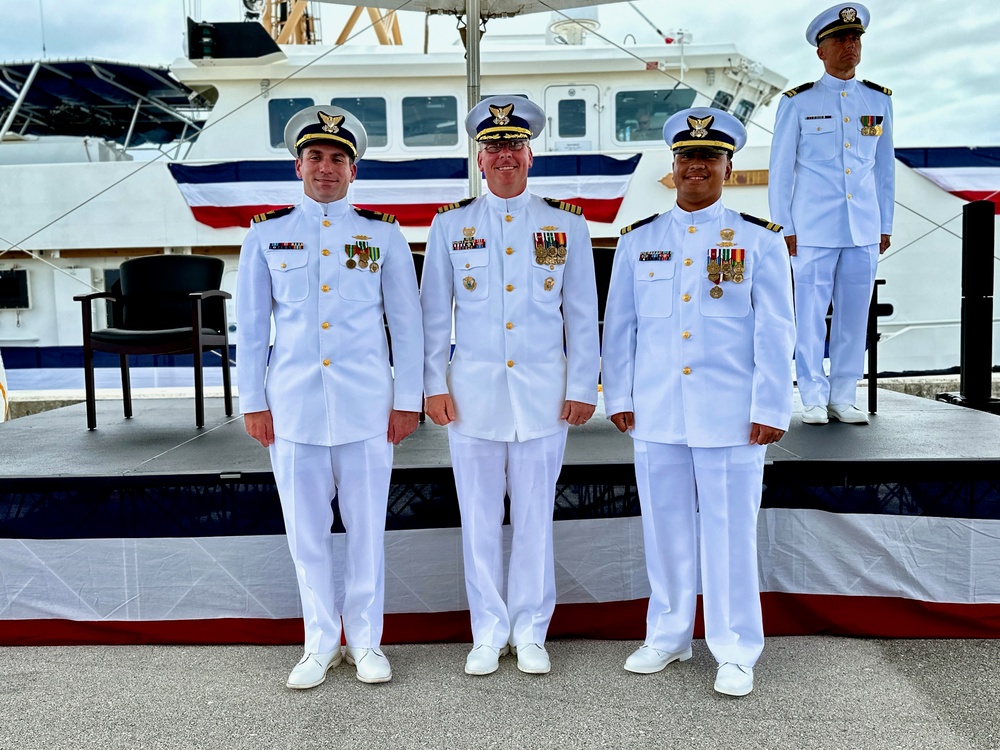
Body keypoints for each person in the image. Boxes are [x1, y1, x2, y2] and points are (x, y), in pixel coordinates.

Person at [602, 107, 795, 697]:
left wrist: (771, 405)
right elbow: (621, 327)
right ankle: (668, 635)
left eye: (708, 158)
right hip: (658, 410)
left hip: (732, 414)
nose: (696, 167)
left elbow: (775, 330)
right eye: (688, 157)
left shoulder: (758, 241)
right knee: (664, 530)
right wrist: (622, 395)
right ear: (674, 165)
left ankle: (736, 647)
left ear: (727, 167)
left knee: (732, 533)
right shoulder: (641, 240)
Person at [236, 105, 423, 688]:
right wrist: (253, 402)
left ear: (353, 170)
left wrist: (407, 399)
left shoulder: (382, 234)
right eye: (315, 156)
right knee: (306, 535)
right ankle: (319, 642)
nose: (326, 167)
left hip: (367, 408)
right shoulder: (267, 235)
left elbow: (407, 324)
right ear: (298, 166)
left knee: (368, 531)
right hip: (292, 409)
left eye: (337, 158)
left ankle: (366, 642)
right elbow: (251, 324)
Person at [420, 96, 600, 676]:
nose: (505, 156)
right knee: (477, 521)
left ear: (530, 154)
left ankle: (529, 631)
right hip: (471, 397)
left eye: (514, 146)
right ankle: (486, 631)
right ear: (479, 157)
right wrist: (432, 385)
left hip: (544, 397)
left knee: (533, 519)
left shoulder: (565, 225)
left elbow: (581, 315)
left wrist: (583, 385)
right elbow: (431, 319)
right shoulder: (450, 226)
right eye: (494, 147)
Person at [768, 3, 894, 425]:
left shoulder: (877, 100)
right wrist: (785, 226)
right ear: (820, 51)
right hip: (813, 229)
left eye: (855, 39)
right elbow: (782, 172)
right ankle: (812, 397)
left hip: (863, 228)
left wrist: (885, 224)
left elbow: (884, 168)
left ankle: (843, 395)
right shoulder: (798, 102)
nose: (849, 46)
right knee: (809, 315)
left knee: (854, 316)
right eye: (840, 40)